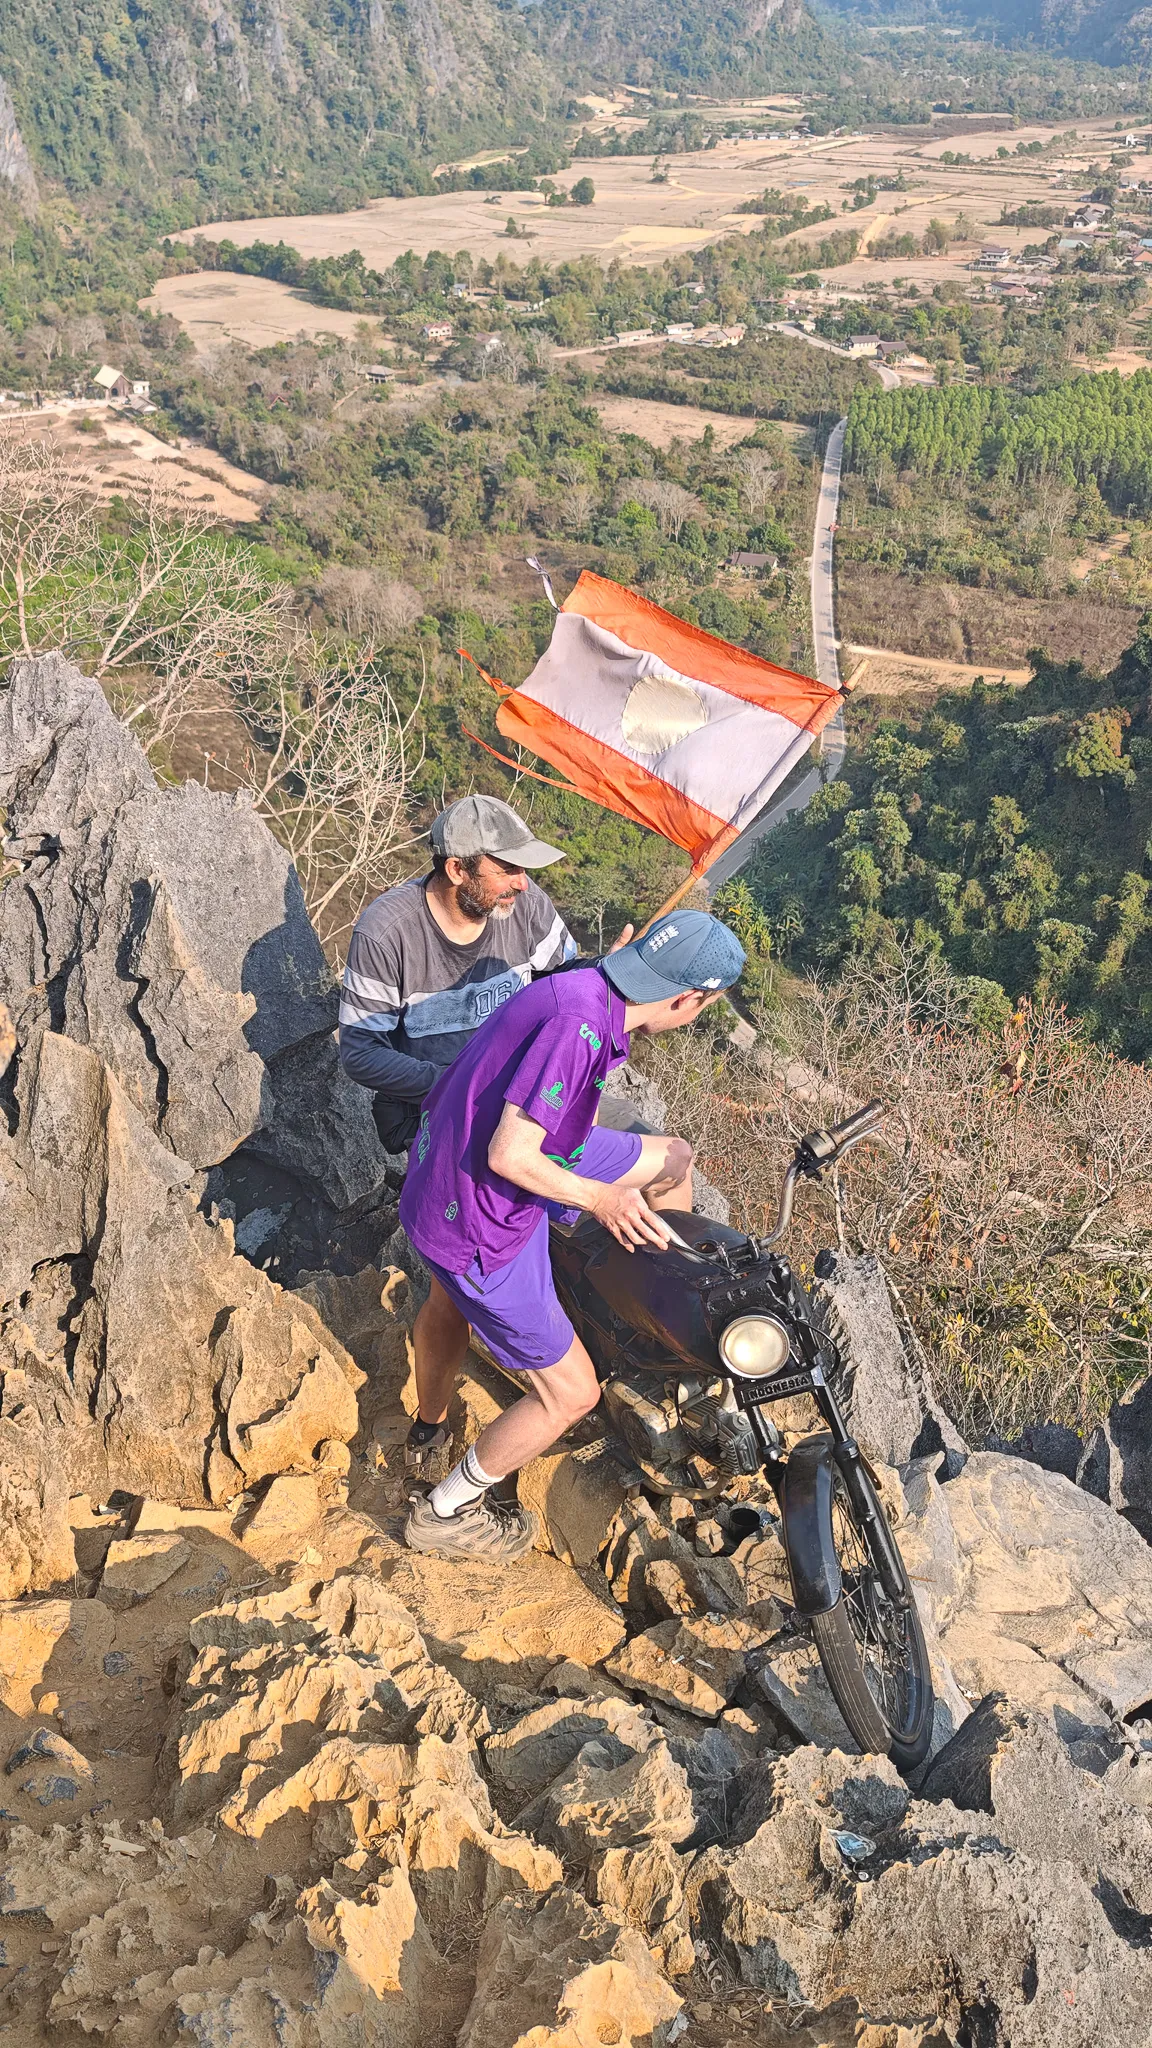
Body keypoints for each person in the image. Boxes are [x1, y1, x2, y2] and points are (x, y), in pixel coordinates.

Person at [398, 909, 746, 1561]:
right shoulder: (581, 1026)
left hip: (441, 1170)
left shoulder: (591, 986)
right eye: (706, 1004)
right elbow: (511, 1155)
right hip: (481, 1217)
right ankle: (444, 1512)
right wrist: (599, 1199)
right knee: (573, 1394)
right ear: (689, 999)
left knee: (673, 1158)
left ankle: (428, 1430)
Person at [339, 795, 587, 1156]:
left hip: (523, 1089)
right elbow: (361, 1053)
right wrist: (458, 1085)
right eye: (508, 869)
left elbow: (563, 977)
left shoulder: (526, 906)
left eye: (524, 868)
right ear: (457, 870)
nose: (523, 883)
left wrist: (608, 973)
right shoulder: (388, 933)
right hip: (438, 1105)